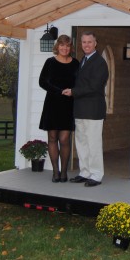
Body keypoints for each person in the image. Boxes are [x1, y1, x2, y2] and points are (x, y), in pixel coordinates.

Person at [64, 31, 109, 187]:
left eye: (90, 42)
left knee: (93, 144)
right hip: (80, 109)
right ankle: (85, 172)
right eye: (84, 42)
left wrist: (73, 92)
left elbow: (95, 87)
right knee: (82, 143)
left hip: (93, 111)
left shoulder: (100, 63)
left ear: (95, 43)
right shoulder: (83, 60)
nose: (86, 45)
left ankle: (96, 175)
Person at [39, 34, 79, 183]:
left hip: (68, 105)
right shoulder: (50, 62)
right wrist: (59, 91)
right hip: (53, 104)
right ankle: (55, 172)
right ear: (57, 47)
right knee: (52, 138)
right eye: (62, 45)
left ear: (70, 48)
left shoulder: (76, 63)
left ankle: (64, 172)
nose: (65, 48)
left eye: (67, 45)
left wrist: (72, 91)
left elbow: (80, 83)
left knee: (64, 139)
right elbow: (42, 82)